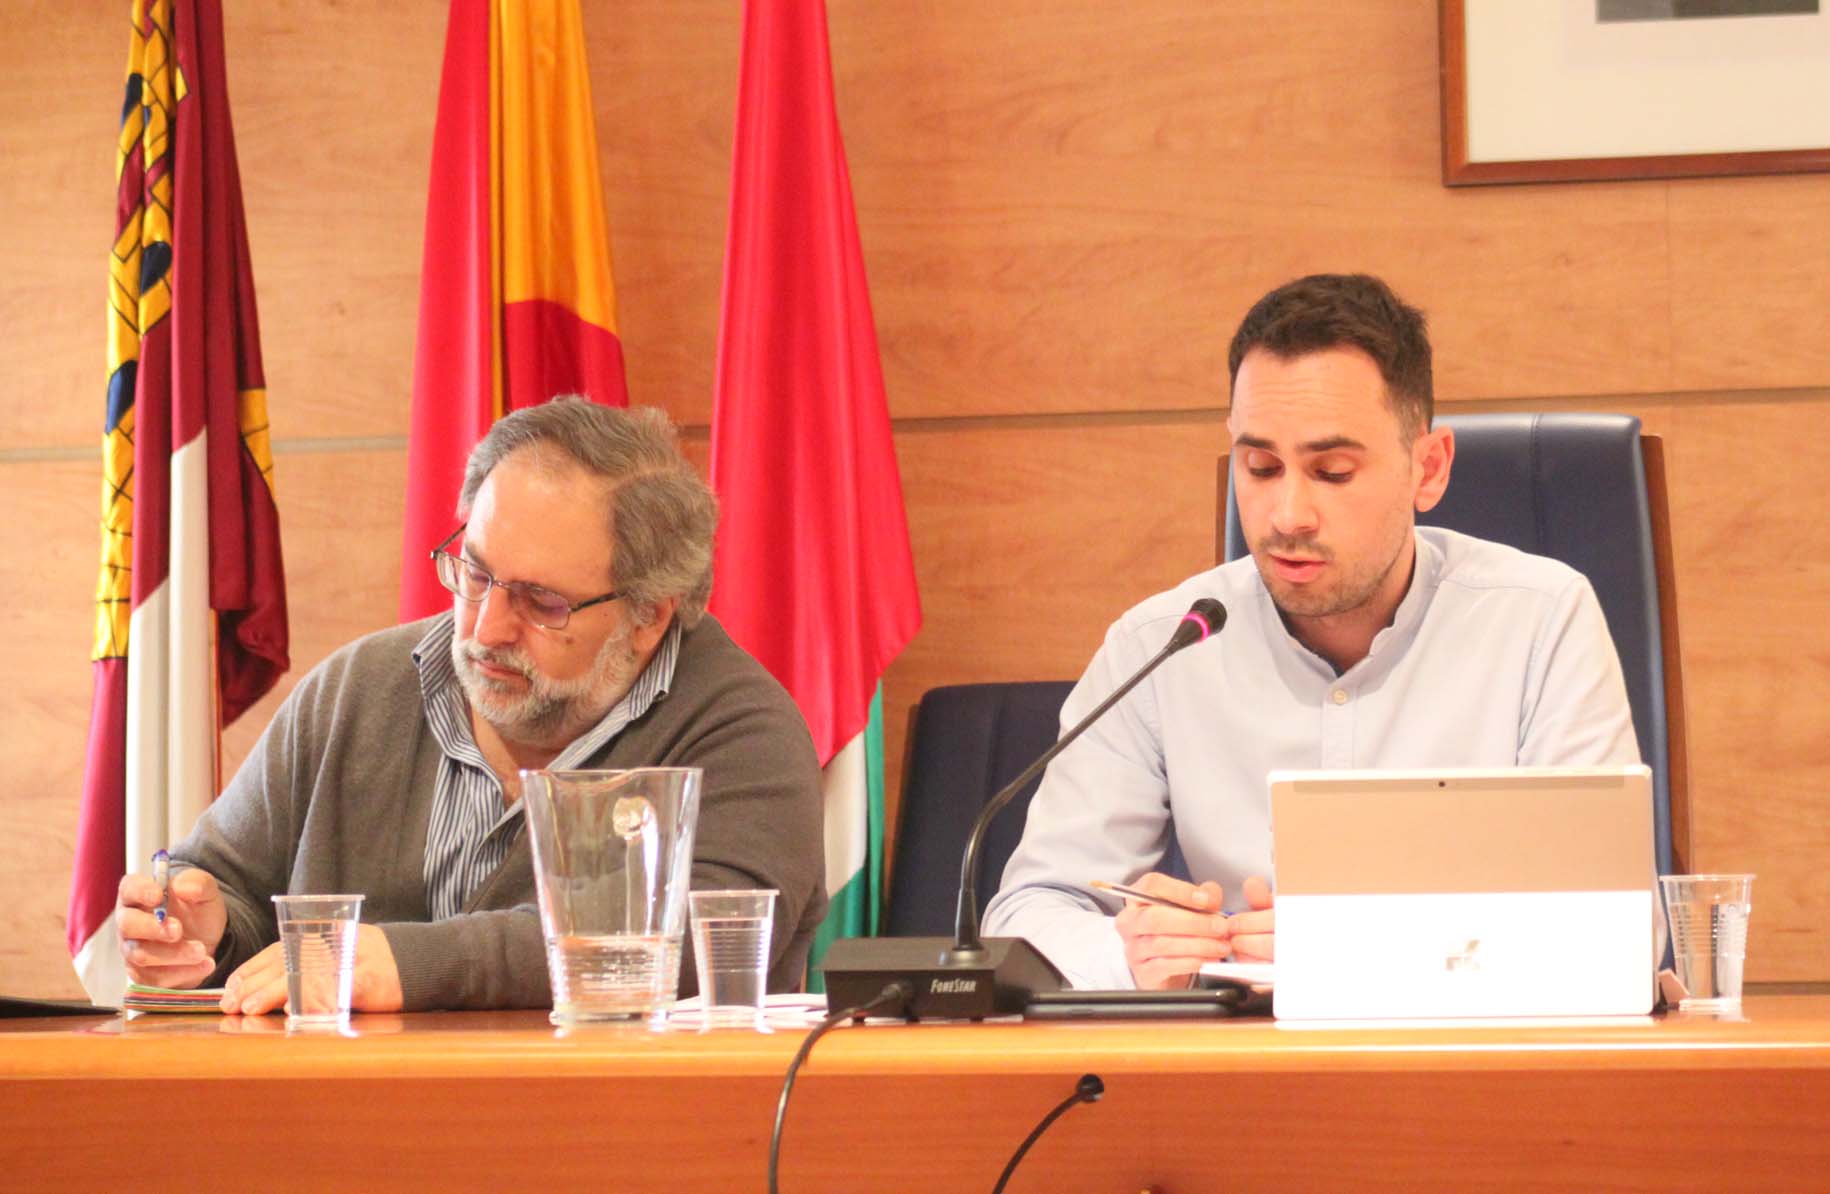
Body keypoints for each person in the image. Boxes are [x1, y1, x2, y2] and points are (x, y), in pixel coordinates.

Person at [981, 274, 1639, 990]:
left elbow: (1619, 930)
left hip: (1467, 1051)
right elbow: (1026, 915)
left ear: (1428, 468)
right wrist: (1129, 953)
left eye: (1331, 471)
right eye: (1261, 467)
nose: (1287, 514)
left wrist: (1366, 951)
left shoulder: (1540, 620)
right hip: (1238, 1057)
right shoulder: (1161, 646)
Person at [113, 398, 826, 1013]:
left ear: (649, 616)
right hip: (340, 1122)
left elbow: (690, 945)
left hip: (619, 1121)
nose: (486, 628)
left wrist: (412, 964)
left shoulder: (742, 733)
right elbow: (226, 884)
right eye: (476, 574)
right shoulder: (357, 690)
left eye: (542, 602)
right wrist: (199, 932)